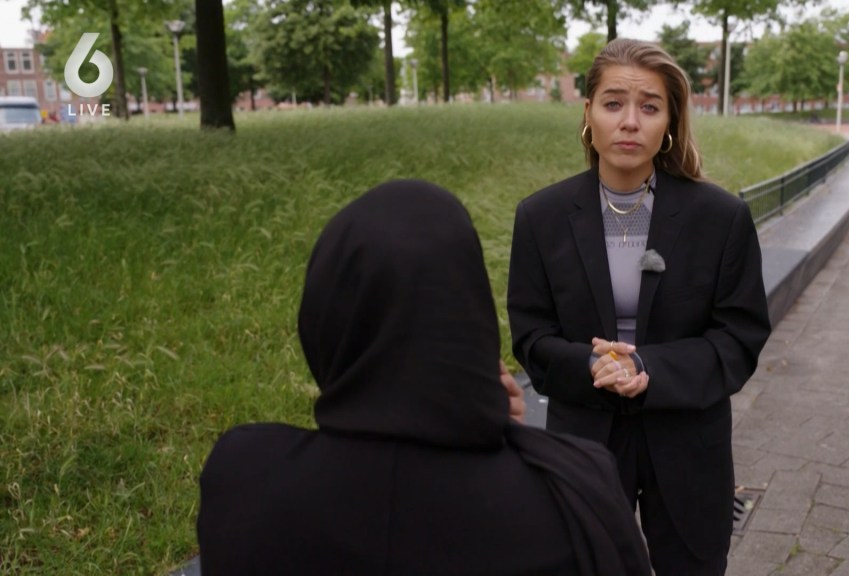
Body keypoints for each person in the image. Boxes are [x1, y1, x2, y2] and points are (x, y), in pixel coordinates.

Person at [197, 180, 651, 576]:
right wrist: (513, 438)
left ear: (324, 318)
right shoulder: (575, 496)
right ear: (470, 314)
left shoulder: (245, 480)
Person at [507, 39, 772, 576]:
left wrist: (646, 367)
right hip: (584, 440)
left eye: (650, 107)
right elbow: (532, 338)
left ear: (670, 121)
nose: (630, 121)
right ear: (588, 113)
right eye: (613, 104)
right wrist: (592, 364)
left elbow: (738, 341)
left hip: (688, 441)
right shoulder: (540, 217)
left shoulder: (721, 218)